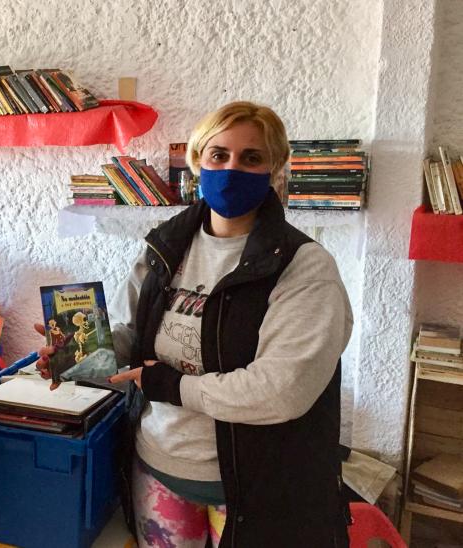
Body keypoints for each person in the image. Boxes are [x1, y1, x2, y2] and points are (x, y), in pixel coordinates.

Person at [36, 101, 353, 547]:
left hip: (253, 486)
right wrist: (77, 354)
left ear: (275, 169)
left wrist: (172, 387)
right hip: (158, 468)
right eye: (219, 155)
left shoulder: (303, 266)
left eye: (252, 158)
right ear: (197, 162)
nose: (232, 169)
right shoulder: (165, 247)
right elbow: (133, 336)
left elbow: (283, 389)